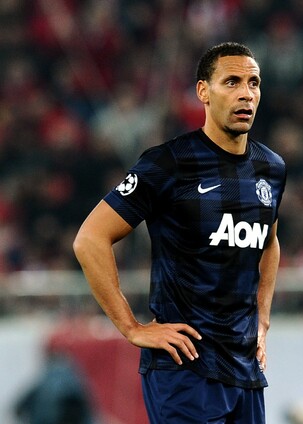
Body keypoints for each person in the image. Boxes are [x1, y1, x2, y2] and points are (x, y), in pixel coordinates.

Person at [73, 42, 286, 423]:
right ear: (204, 91)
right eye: (232, 82)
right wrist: (131, 327)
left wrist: (263, 320)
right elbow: (90, 239)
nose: (246, 93)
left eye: (253, 83)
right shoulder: (168, 163)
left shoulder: (270, 168)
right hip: (184, 367)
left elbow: (269, 243)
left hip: (245, 369)